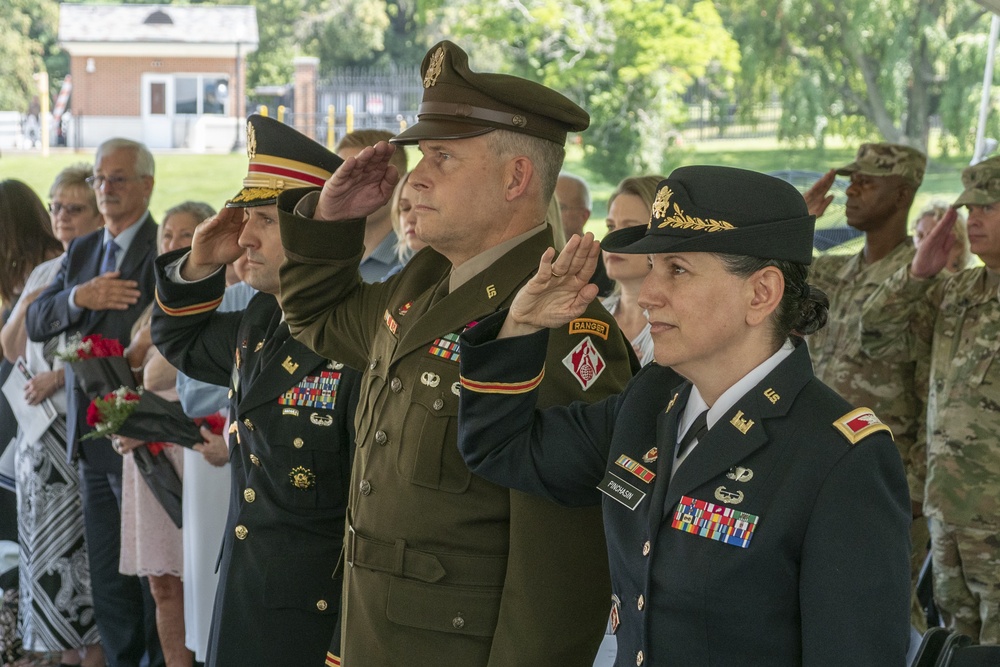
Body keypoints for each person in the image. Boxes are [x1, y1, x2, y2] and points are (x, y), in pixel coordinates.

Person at [456, 166, 912, 665]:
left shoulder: (840, 458)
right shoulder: (651, 400)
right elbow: (500, 447)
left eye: (677, 269)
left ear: (761, 293)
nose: (649, 292)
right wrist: (521, 325)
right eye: (651, 266)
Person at [277, 40, 635, 666]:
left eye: (443, 157)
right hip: (373, 636)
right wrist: (331, 223)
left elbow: (561, 564)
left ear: (515, 178)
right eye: (422, 156)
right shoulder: (422, 285)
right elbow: (315, 318)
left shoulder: (563, 327)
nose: (415, 177)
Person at [150, 114, 361, 667]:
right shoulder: (265, 315)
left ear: (316, 230)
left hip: (317, 617)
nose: (244, 237)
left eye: (264, 220)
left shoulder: (361, 334)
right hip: (247, 594)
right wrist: (200, 262)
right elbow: (182, 341)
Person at [25, 139, 163, 667]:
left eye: (119, 178)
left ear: (147, 185)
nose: (106, 189)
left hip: (143, 435)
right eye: (101, 179)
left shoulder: (163, 246)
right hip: (89, 440)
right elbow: (38, 323)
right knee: (108, 575)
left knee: (153, 575)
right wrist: (79, 298)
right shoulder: (83, 251)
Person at [861, 155, 1000, 645]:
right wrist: (918, 274)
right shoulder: (959, 291)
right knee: (955, 640)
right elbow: (875, 336)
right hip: (950, 509)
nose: (973, 218)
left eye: (989, 205)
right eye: (970, 208)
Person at [803, 143, 930, 629]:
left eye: (867, 183)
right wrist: (803, 221)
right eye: (851, 180)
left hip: (889, 472)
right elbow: (773, 280)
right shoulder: (837, 271)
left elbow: (932, 385)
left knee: (891, 609)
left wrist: (916, 485)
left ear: (901, 195)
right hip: (823, 465)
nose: (851, 191)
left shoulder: (923, 279)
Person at [0, 168, 105, 667]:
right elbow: (11, 343)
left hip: (75, 430)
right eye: (56, 207)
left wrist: (62, 378)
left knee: (78, 558)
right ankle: (58, 651)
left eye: (74, 209)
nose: (61, 218)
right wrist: (35, 298)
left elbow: (115, 346)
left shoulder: (102, 269)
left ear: (98, 214)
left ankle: (89, 653)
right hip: (35, 432)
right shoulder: (49, 271)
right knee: (41, 550)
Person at [112, 202, 210, 667]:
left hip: (197, 456)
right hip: (148, 461)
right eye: (167, 235)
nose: (172, 243)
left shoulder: (224, 300)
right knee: (162, 583)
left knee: (199, 578)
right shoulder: (156, 304)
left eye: (185, 234)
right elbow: (133, 375)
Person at [600, 176, 663, 367]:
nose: (614, 238)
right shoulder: (593, 313)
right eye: (611, 226)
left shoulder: (678, 324)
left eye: (630, 228)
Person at [336, 129, 409, 281]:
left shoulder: (412, 261)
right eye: (340, 176)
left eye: (362, 176)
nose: (345, 186)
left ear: (397, 183)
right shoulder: (327, 256)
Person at [557, 172, 613, 296]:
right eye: (549, 208)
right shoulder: (536, 255)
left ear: (584, 216)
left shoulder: (606, 265)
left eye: (560, 208)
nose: (549, 215)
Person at [913, 200, 972, 273]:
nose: (923, 244)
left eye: (933, 237)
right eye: (920, 236)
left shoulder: (968, 283)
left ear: (958, 246)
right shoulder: (907, 278)